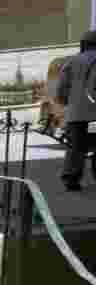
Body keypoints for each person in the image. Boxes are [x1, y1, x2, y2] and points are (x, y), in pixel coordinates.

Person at [55, 30, 96, 191]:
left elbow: (62, 88)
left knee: (76, 147)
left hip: (77, 114)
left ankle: (71, 179)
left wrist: (66, 103)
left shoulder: (72, 62)